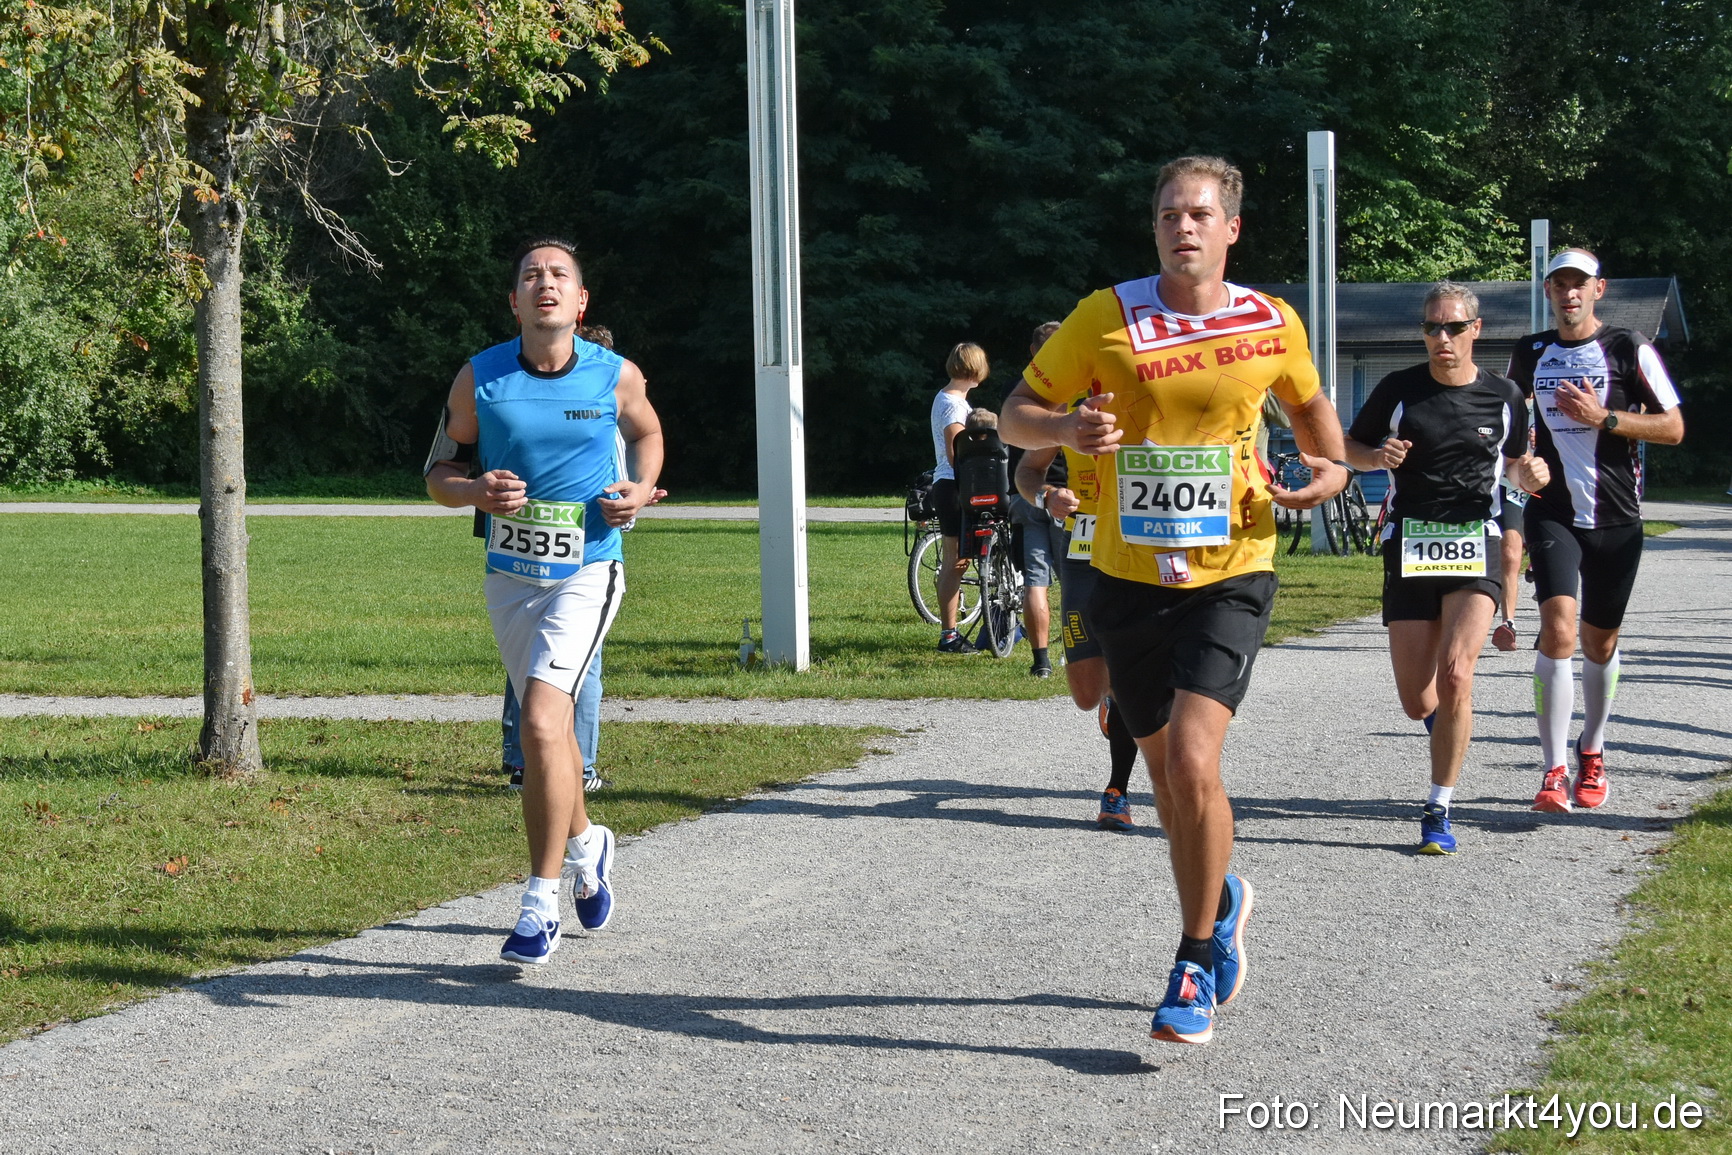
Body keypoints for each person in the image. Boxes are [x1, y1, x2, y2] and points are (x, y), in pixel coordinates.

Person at [1002, 155, 1347, 1046]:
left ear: (1231, 228)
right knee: (1164, 774)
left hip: (1233, 565)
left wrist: (1332, 471)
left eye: (1198, 214)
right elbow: (1012, 415)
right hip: (1125, 574)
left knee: (1194, 761)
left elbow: (1313, 414)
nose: (1181, 227)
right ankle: (1221, 893)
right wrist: (1064, 427)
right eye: (1167, 215)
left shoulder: (1271, 321)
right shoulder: (1104, 315)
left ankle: (1193, 959)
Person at [426, 237, 664, 964]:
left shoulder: (615, 375)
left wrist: (637, 489)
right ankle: (588, 842)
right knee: (549, 731)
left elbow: (648, 433)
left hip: (588, 570)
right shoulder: (480, 377)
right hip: (509, 575)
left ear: (580, 301)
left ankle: (539, 903)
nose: (545, 283)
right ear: (515, 300)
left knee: (537, 718)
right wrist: (474, 490)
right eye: (532, 275)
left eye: (559, 274)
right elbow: (437, 473)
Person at [1343, 282, 1549, 855]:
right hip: (1410, 542)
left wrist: (1529, 476)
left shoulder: (1505, 395)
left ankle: (1439, 807)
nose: (1443, 337)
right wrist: (1376, 456)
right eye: (1432, 327)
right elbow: (1349, 446)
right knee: (1418, 700)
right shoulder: (1399, 388)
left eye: (1454, 327)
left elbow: (1515, 464)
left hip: (1477, 538)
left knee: (1457, 674)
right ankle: (1448, 729)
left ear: (1475, 330)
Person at [1507, 248, 1684, 812]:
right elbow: (1511, 434)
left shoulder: (1629, 347)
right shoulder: (1530, 351)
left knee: (1599, 643)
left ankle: (1592, 749)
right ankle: (1553, 770)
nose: (1569, 293)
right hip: (1552, 512)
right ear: (1548, 291)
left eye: (1579, 284)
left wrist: (1604, 418)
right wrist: (1520, 469)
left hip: (1616, 518)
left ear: (1598, 289)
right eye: (1559, 284)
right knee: (1558, 631)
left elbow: (1674, 428)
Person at [1013, 322, 1143, 831]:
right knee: (1087, 693)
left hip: (1137, 548)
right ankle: (1111, 697)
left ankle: (1117, 791)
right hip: (1083, 547)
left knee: (1129, 670)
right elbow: (1027, 473)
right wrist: (1047, 496)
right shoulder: (1064, 408)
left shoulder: (1145, 394)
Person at [929, 343, 991, 654]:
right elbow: (957, 455)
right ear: (976, 369)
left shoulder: (948, 399)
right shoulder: (953, 405)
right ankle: (949, 635)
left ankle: (951, 632)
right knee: (955, 562)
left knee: (958, 561)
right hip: (954, 486)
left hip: (950, 485)